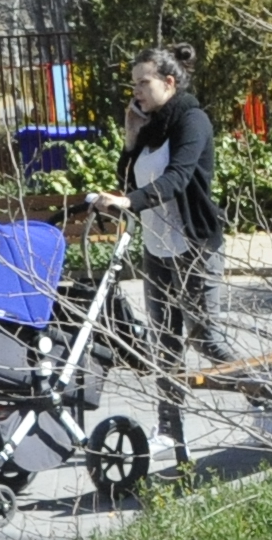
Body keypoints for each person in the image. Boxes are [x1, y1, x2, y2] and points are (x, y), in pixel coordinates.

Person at [88, 46, 233, 467]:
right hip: (157, 252)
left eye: (143, 82)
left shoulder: (192, 120)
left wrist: (130, 202)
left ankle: (269, 392)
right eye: (134, 83)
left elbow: (177, 178)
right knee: (166, 347)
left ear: (169, 83)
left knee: (207, 339)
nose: (136, 91)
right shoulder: (150, 128)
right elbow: (130, 178)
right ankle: (171, 434)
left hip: (194, 248)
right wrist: (131, 140)